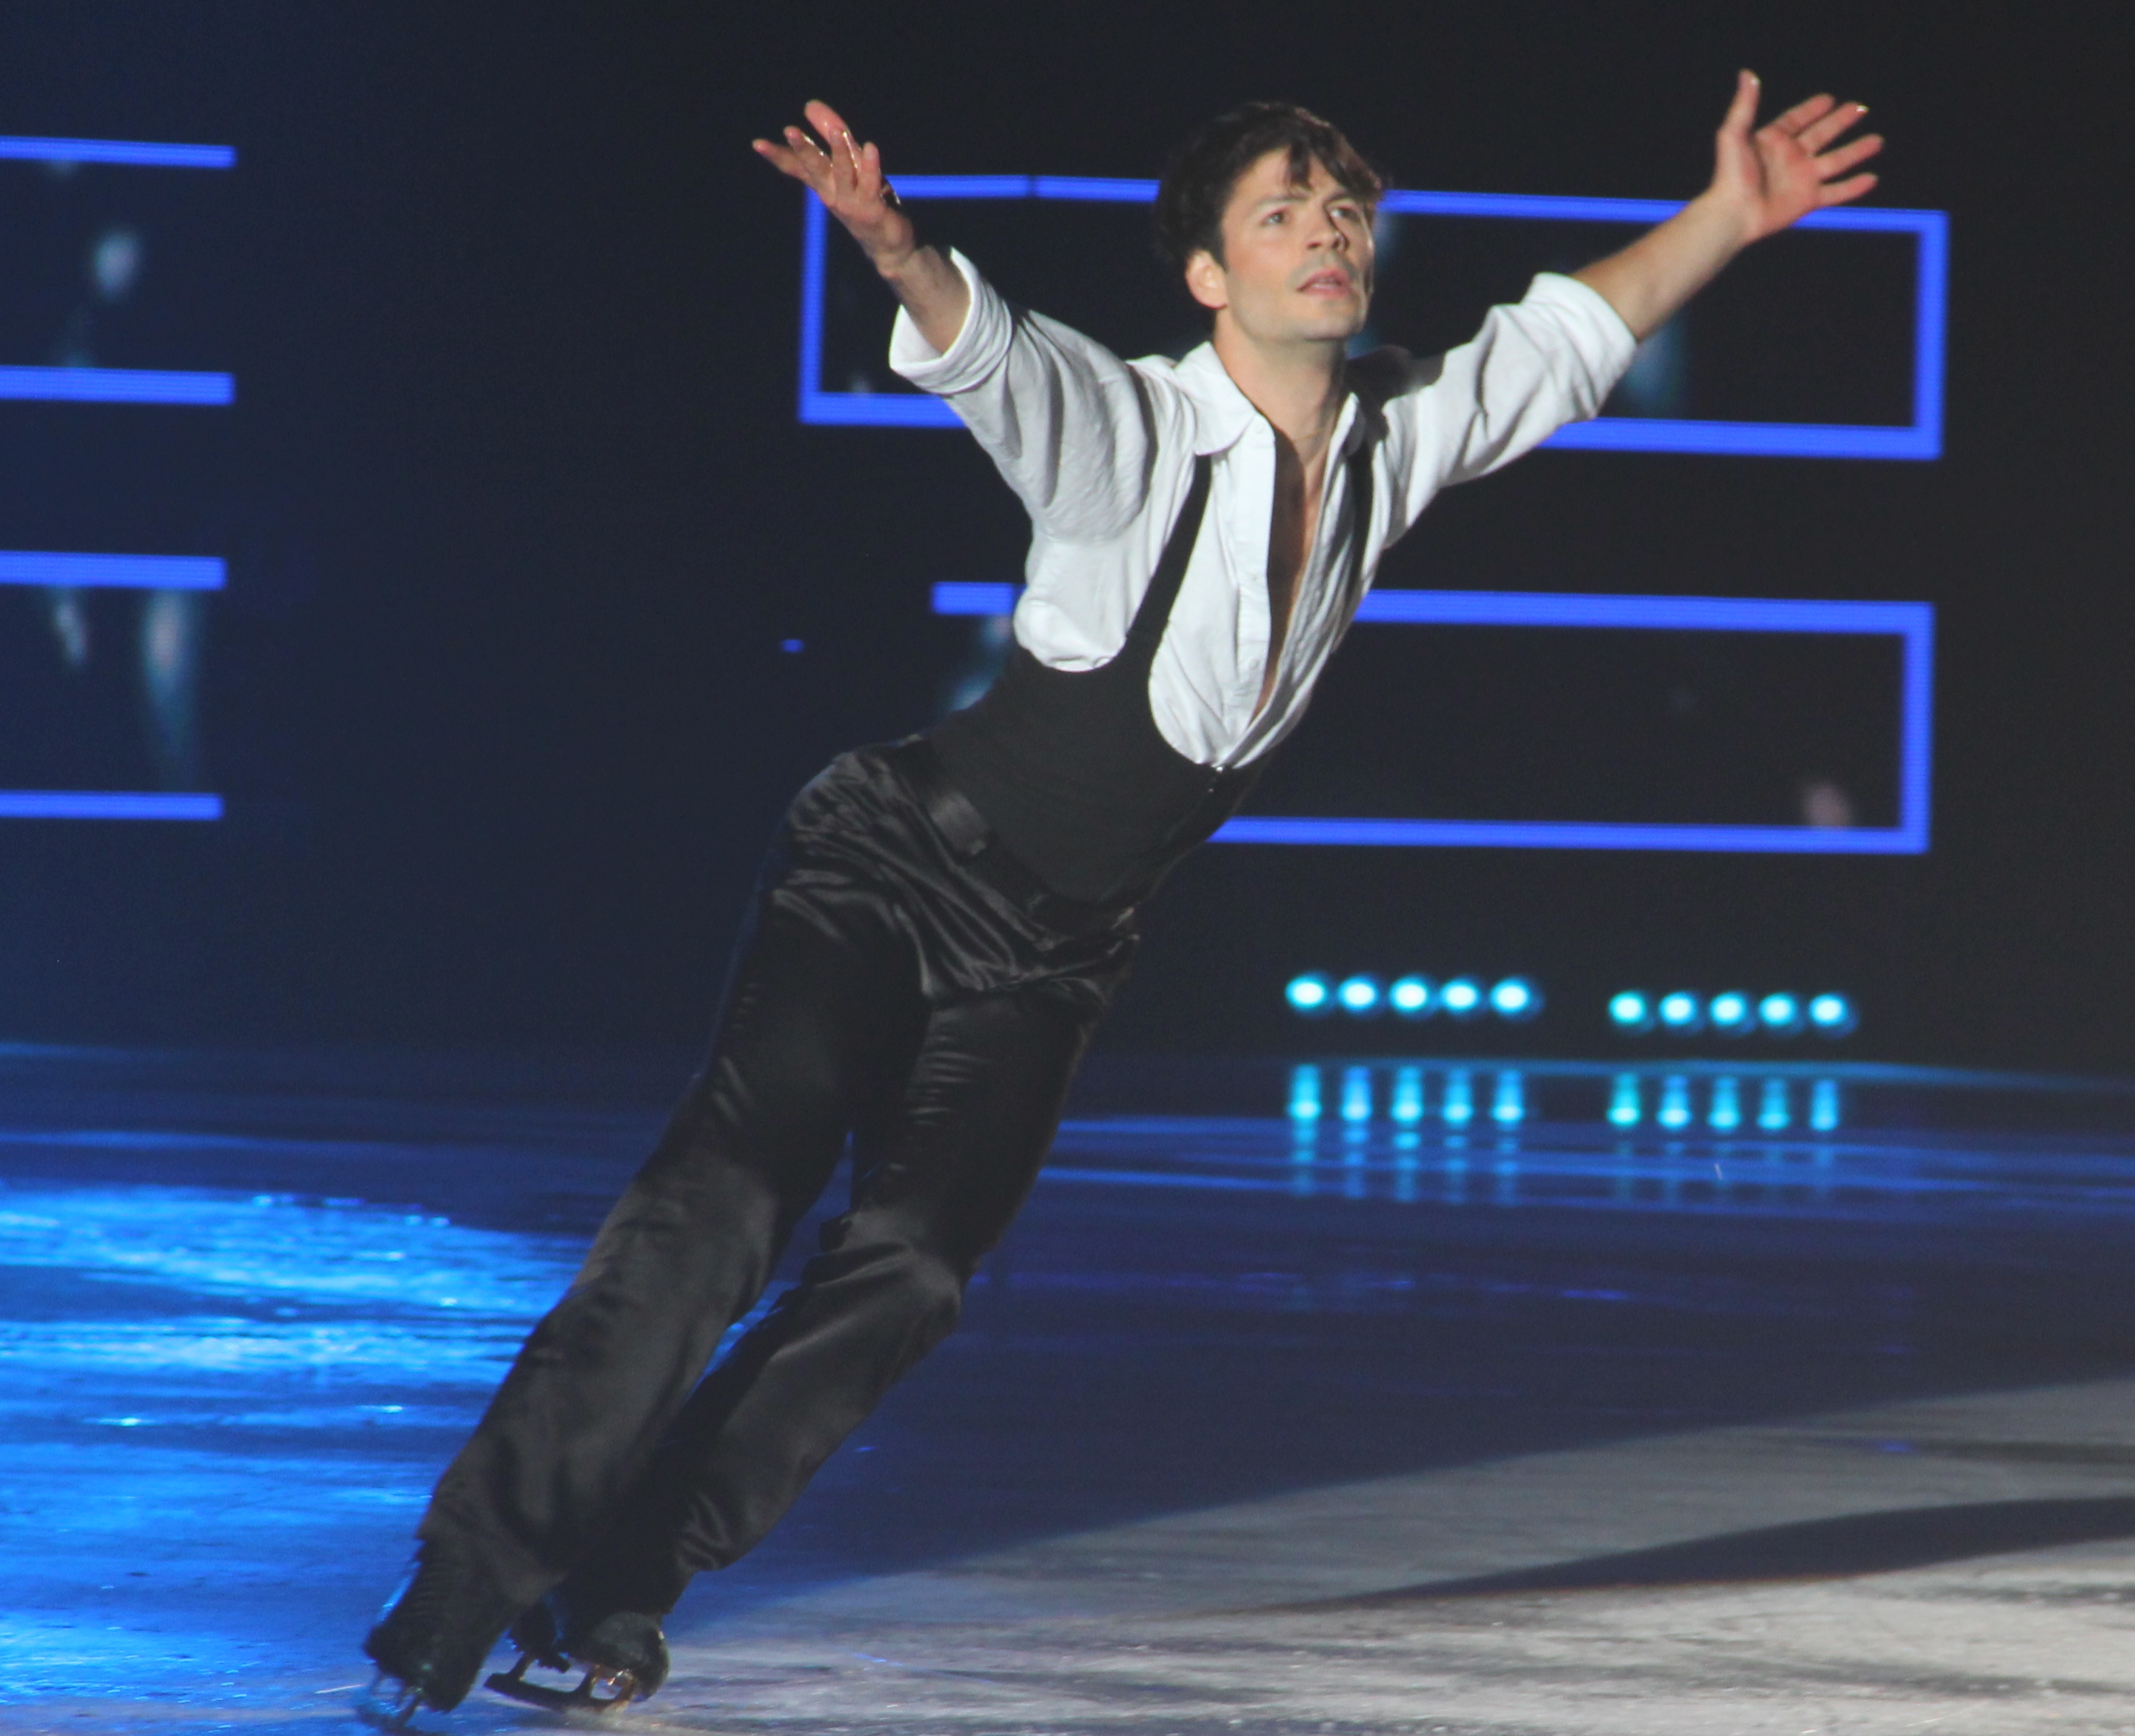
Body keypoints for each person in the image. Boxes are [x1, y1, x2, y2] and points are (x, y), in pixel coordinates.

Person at [358, 75, 1880, 1724]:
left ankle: (625, 1583)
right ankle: (466, 1579)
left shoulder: (1395, 430)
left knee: (914, 1272)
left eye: (1344, 210)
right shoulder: (1136, 429)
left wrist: (1730, 212)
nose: (1327, 234)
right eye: (1282, 214)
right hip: (888, 867)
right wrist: (897, 248)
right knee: (725, 1200)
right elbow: (1004, 359)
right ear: (1210, 277)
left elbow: (1566, 334)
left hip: (1056, 950)